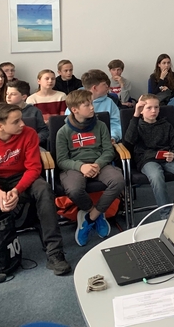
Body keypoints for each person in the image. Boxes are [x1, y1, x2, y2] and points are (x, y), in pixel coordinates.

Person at [0, 103, 71, 275]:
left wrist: (16, 190)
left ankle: (55, 253)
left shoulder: (29, 134)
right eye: (16, 122)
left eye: (21, 119)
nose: (22, 124)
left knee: (44, 190)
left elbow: (33, 168)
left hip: (20, 177)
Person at [56, 89, 125, 247]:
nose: (92, 107)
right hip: (75, 167)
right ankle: (94, 212)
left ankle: (91, 216)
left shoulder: (100, 125)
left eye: (91, 104)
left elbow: (108, 151)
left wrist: (97, 164)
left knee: (118, 181)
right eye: (87, 105)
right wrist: (81, 166)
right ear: (75, 110)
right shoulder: (63, 131)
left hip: (99, 163)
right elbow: (62, 160)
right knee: (73, 189)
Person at [125, 94, 174, 219]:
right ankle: (166, 214)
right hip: (147, 160)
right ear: (141, 111)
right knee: (156, 176)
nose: (153, 111)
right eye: (149, 108)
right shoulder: (137, 125)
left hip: (166, 157)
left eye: (156, 107)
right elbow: (128, 141)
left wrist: (173, 154)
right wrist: (135, 114)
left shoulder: (165, 125)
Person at [69, 69, 122, 142]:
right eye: (104, 84)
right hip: (80, 143)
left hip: (104, 141)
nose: (107, 86)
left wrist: (113, 137)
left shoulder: (109, 102)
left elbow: (116, 124)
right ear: (94, 88)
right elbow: (70, 127)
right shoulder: (74, 102)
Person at [147, 54, 174, 132]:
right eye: (164, 63)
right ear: (159, 64)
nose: (166, 65)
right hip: (160, 102)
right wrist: (162, 78)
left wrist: (169, 90)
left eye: (168, 63)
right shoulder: (153, 77)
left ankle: (167, 113)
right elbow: (153, 93)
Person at [6, 80, 48, 145]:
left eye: (13, 94)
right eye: (7, 94)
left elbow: (44, 131)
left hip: (30, 144)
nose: (8, 97)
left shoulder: (34, 111)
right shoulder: (1, 111)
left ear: (24, 97)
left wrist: (33, 140)